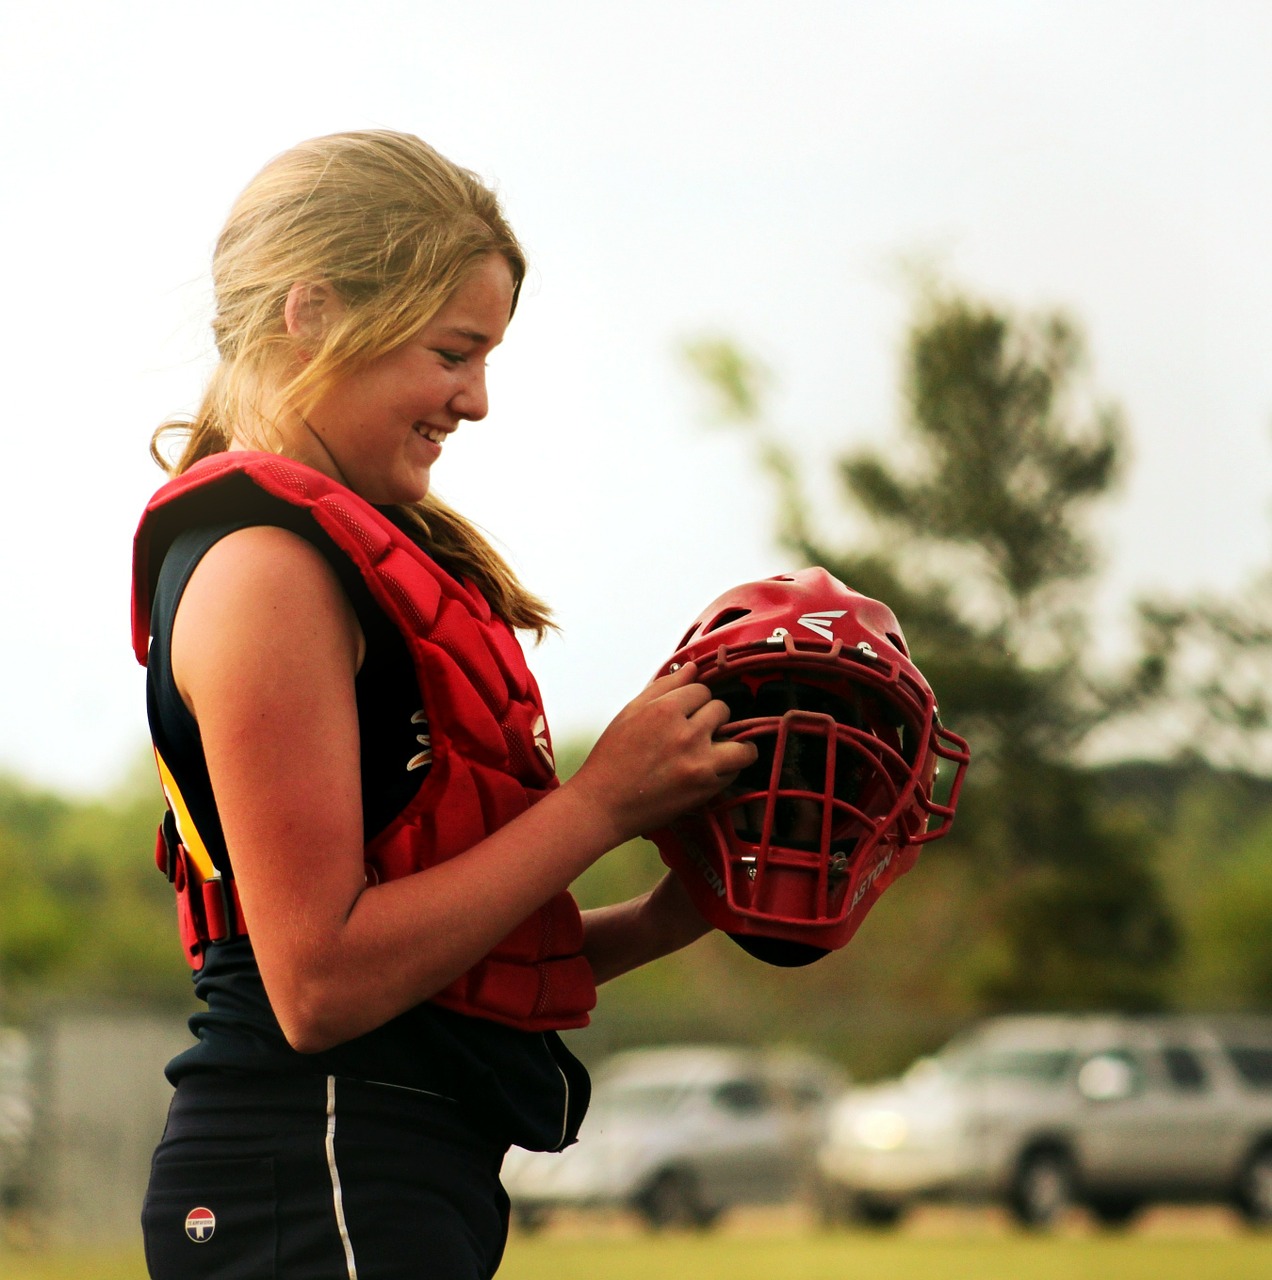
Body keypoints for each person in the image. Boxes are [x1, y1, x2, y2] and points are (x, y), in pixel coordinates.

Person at [132, 129, 757, 1280]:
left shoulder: (333, 552)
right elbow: (321, 983)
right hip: (315, 1163)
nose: (475, 399)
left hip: (375, 1165)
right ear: (312, 314)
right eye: (453, 350)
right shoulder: (265, 565)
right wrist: (604, 799)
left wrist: (676, 913)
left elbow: (444, 963)